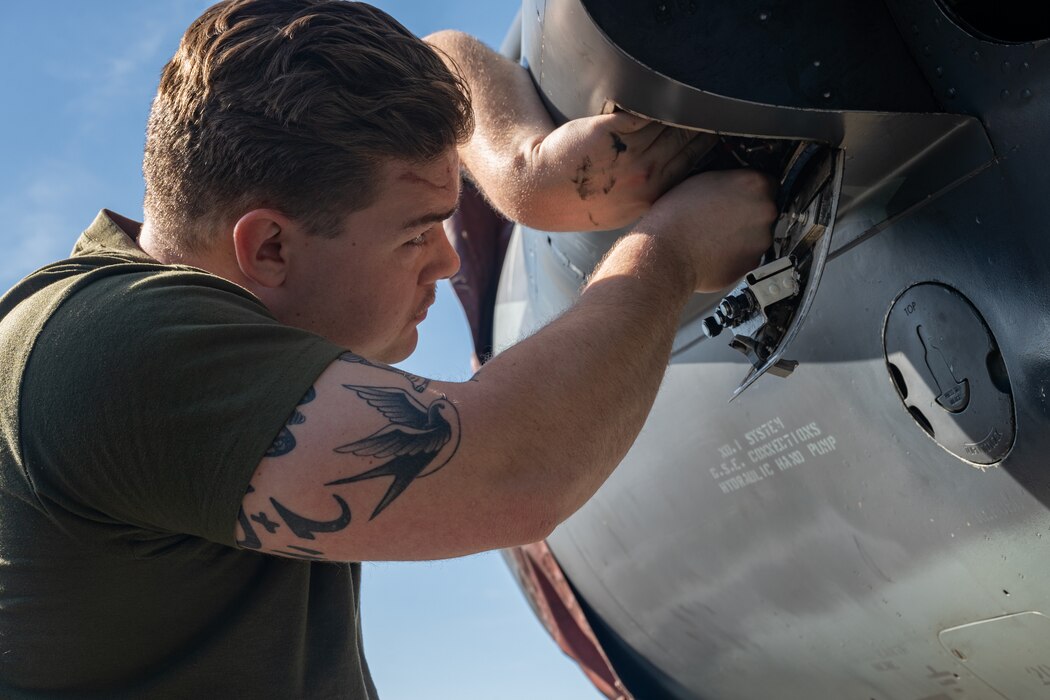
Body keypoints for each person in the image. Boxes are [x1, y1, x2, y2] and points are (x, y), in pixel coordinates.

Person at [0, 0, 775, 697]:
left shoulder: (117, 321)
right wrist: (668, 253)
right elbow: (507, 472)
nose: (446, 258)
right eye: (416, 233)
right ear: (268, 247)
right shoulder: (111, 342)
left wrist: (520, 172)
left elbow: (438, 54)